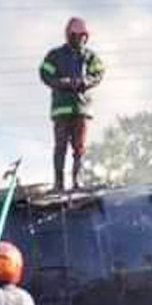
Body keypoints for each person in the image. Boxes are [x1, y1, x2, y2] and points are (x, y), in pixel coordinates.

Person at [39, 17, 104, 191]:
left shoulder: (89, 56)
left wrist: (85, 81)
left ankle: (77, 181)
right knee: (60, 146)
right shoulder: (56, 55)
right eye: (77, 35)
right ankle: (58, 183)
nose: (80, 39)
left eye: (83, 36)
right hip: (61, 109)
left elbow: (98, 72)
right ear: (70, 35)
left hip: (81, 108)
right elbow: (45, 73)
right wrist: (62, 83)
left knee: (79, 147)